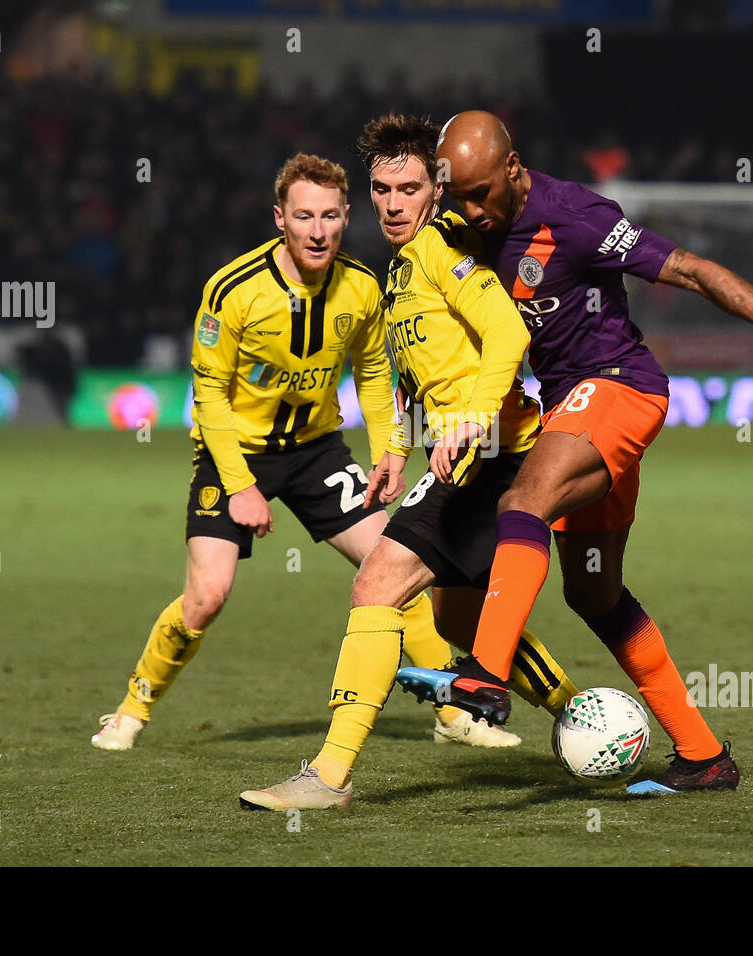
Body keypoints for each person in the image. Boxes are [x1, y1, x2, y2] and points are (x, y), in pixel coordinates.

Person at [396, 111, 753, 794]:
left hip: (620, 387)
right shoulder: (460, 231)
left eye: (484, 192)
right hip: (572, 410)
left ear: (514, 169)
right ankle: (704, 756)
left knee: (524, 500)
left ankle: (485, 675)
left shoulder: (572, 215)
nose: (473, 209)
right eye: (461, 196)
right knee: (593, 592)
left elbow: (688, 270)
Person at [90, 153, 518, 752]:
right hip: (234, 453)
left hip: (317, 452)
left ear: (346, 218)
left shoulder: (362, 287)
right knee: (207, 596)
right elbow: (208, 396)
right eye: (304, 217)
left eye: (331, 217)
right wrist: (240, 485)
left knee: (399, 566)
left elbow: (373, 372)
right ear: (280, 219)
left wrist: (388, 451)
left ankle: (452, 715)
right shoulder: (232, 290)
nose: (318, 231)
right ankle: (131, 711)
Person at [239, 116, 578, 811]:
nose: (392, 203)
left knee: (377, 584)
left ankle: (328, 777)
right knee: (457, 620)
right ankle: (584, 718)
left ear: (437, 188)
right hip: (471, 456)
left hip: (492, 456)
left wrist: (473, 420)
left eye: (409, 187)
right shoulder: (402, 265)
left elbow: (508, 329)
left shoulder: (441, 248)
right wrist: (394, 449)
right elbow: (408, 373)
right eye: (381, 188)